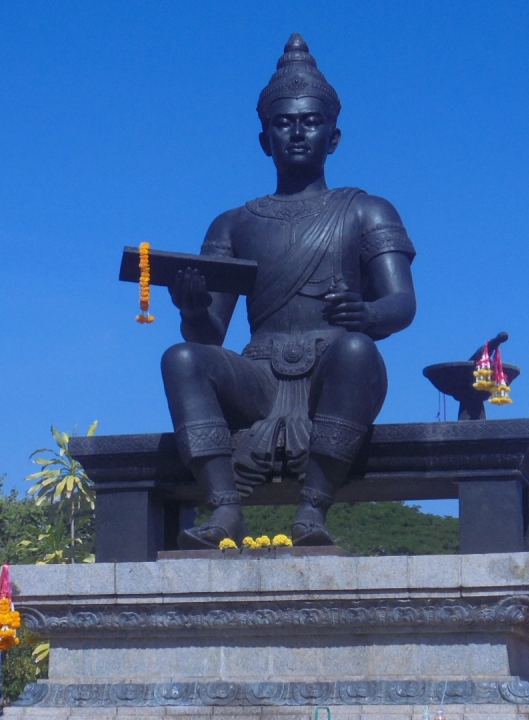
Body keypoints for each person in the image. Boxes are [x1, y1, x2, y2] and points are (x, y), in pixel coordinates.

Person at [163, 34, 416, 549]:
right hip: (257, 375)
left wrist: (368, 315)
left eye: (310, 121)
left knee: (355, 350)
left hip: (334, 369)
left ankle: (313, 507)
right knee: (181, 358)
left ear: (334, 137)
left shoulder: (367, 210)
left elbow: (402, 303)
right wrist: (192, 308)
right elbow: (208, 334)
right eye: (283, 123)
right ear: (264, 139)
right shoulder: (233, 224)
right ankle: (224, 506)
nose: (297, 133)